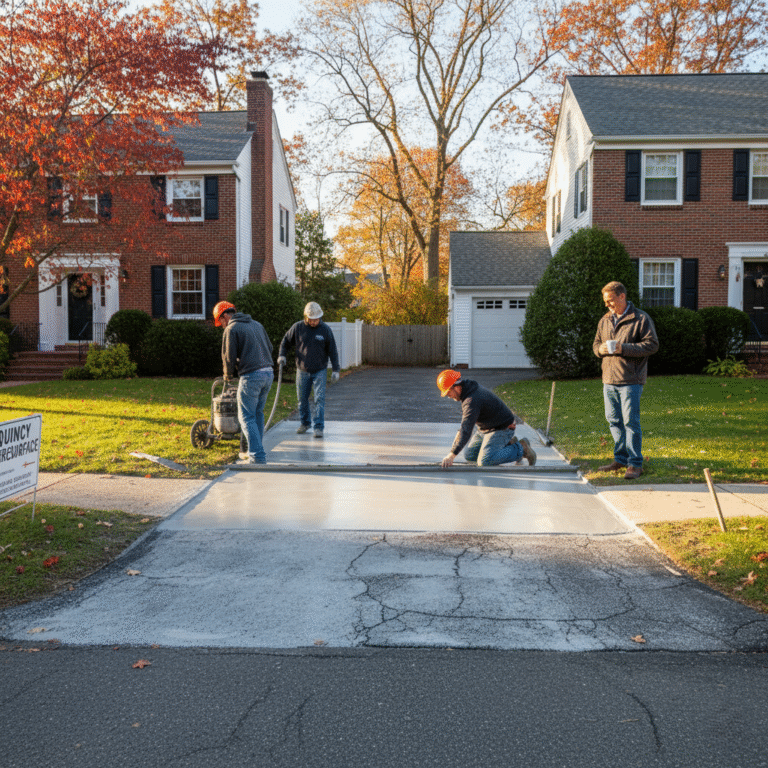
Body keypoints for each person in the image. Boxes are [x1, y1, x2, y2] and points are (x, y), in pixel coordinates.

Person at [593, 281, 659, 480]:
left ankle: (635, 463)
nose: (607, 305)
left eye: (610, 300)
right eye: (605, 301)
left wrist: (624, 348)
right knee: (614, 421)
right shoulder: (605, 320)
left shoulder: (640, 318)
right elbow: (596, 344)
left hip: (631, 379)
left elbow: (652, 345)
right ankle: (620, 459)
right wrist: (600, 350)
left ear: (622, 296)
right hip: (609, 379)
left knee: (631, 422)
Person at [213, 300, 274, 465]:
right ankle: (256, 449)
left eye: (221, 322)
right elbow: (270, 348)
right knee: (257, 413)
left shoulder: (232, 328)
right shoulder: (257, 325)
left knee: (246, 416)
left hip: (252, 376)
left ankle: (257, 456)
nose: (222, 326)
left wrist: (228, 375)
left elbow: (228, 356)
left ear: (225, 316)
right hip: (268, 373)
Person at [437, 369, 536, 468]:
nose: (449, 396)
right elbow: (467, 421)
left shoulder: (471, 399)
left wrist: (451, 455)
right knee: (470, 455)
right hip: (485, 428)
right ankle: (508, 444)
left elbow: (466, 429)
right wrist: (460, 433)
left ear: (456, 387)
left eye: (448, 393)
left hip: (502, 428)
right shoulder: (468, 388)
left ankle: (521, 448)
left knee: (485, 461)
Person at [277, 301, 340, 439]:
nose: (313, 322)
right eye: (311, 319)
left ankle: (318, 427)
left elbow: (332, 350)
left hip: (320, 370)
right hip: (302, 370)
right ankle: (305, 423)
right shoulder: (298, 327)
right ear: (306, 317)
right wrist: (282, 355)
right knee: (302, 399)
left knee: (319, 399)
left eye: (316, 319)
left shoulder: (325, 330)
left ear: (320, 317)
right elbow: (285, 341)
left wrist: (336, 369)